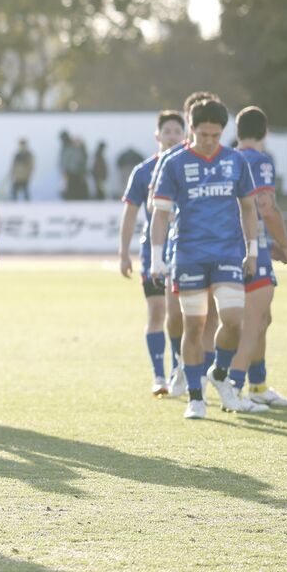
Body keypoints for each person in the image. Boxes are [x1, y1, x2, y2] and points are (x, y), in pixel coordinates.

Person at [148, 97, 260, 419]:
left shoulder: (236, 161)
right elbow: (160, 214)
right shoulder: (175, 163)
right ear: (192, 128)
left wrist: (252, 251)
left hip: (227, 252)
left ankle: (220, 373)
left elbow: (248, 207)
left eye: (216, 135)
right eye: (203, 135)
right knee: (193, 327)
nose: (210, 141)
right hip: (190, 255)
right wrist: (157, 258)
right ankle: (195, 398)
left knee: (234, 321)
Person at [231, 106, 287, 407]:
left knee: (261, 319)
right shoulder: (260, 160)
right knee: (253, 321)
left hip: (226, 246)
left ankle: (258, 386)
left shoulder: (228, 158)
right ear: (265, 132)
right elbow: (265, 207)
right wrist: (285, 244)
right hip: (250, 250)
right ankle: (234, 388)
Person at [118, 109, 185, 396]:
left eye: (177, 131)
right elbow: (130, 213)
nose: (172, 136)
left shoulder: (189, 166)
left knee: (179, 315)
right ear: (157, 135)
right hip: (152, 252)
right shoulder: (143, 171)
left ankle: (178, 370)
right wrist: (123, 252)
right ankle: (159, 376)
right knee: (157, 311)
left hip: (184, 249)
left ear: (185, 135)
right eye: (167, 131)